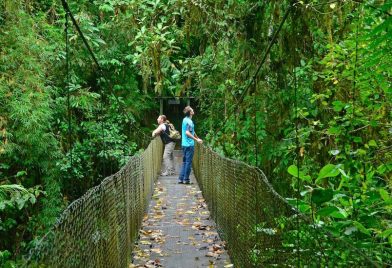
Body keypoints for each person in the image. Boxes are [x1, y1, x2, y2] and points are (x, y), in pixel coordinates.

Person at [178, 106, 202, 184]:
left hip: (184, 144)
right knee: (188, 162)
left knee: (185, 162)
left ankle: (181, 178)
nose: (193, 110)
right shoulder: (190, 122)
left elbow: (192, 131)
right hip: (189, 145)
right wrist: (196, 140)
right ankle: (186, 179)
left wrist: (197, 137)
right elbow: (187, 132)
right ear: (190, 112)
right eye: (192, 109)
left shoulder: (185, 119)